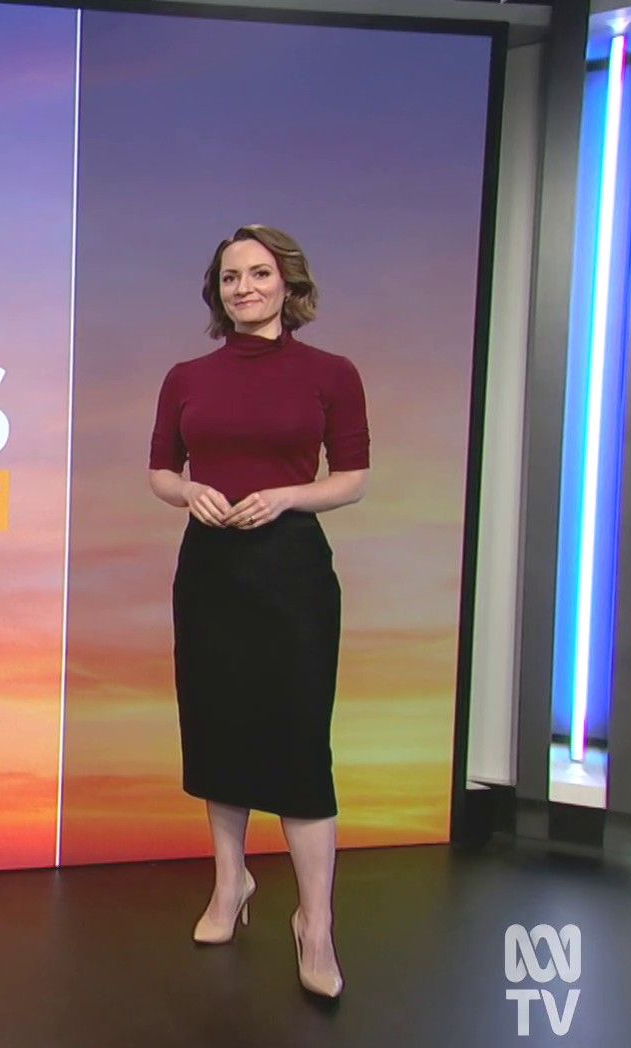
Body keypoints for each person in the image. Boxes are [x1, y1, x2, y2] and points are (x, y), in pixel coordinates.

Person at [147, 224, 368, 999]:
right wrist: (189, 491)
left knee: (299, 742)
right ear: (218, 292)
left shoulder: (331, 373)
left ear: (288, 283)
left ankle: (315, 922)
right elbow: (160, 472)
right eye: (230, 277)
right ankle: (230, 885)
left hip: (291, 570)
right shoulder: (186, 377)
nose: (244, 287)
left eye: (259, 273)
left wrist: (285, 497)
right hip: (210, 572)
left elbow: (353, 479)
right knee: (220, 728)